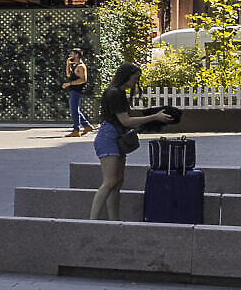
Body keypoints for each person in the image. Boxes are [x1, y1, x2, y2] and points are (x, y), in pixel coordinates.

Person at [85, 61, 175, 220]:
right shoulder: (114, 93)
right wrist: (154, 117)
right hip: (108, 137)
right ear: (126, 76)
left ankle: (114, 220)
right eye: (135, 78)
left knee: (117, 182)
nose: (136, 82)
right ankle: (92, 220)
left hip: (116, 136)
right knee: (110, 181)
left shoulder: (118, 93)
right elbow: (125, 121)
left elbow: (124, 121)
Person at [62, 47, 90, 137]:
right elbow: (69, 74)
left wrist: (69, 84)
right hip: (73, 90)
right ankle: (87, 126)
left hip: (77, 91)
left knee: (74, 110)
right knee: (75, 109)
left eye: (72, 54)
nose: (70, 55)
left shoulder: (81, 66)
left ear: (77, 55)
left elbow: (83, 80)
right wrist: (68, 64)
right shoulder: (76, 65)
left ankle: (76, 130)